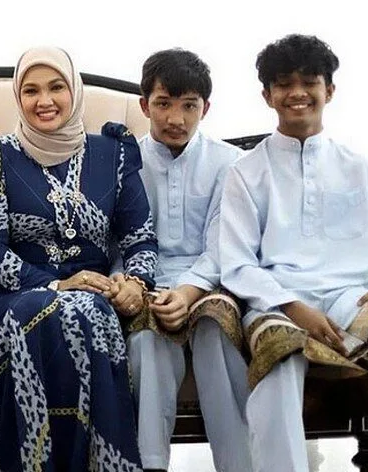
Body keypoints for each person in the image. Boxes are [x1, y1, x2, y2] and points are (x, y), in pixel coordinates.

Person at [0, 46, 157, 471]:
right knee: (49, 310)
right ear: (18, 97)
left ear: (75, 90)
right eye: (31, 91)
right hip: (21, 293)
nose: (44, 101)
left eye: (56, 87)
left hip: (98, 293)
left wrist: (135, 282)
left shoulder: (114, 153)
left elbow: (139, 238)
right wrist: (55, 284)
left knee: (88, 309)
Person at [220, 34, 368, 472]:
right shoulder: (245, 172)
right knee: (279, 352)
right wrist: (293, 306)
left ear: (330, 90)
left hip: (349, 299)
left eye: (309, 82)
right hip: (276, 301)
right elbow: (237, 263)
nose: (297, 93)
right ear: (267, 95)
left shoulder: (361, 167)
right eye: (284, 84)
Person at [129, 49, 251, 472]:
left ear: (206, 108)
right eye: (163, 104)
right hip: (144, 282)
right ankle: (149, 464)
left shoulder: (229, 163)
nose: (176, 118)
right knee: (147, 339)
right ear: (144, 105)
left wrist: (186, 292)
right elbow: (115, 241)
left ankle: (238, 465)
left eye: (189, 106)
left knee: (215, 330)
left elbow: (224, 245)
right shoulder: (124, 162)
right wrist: (134, 286)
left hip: (210, 283)